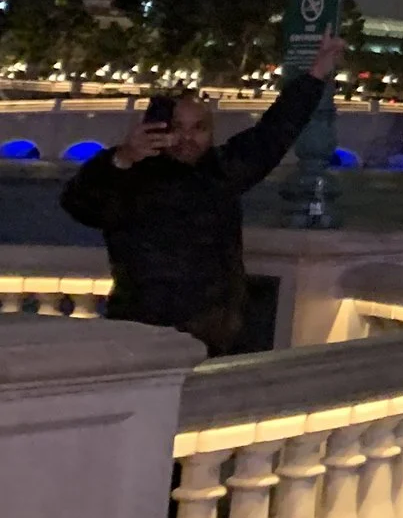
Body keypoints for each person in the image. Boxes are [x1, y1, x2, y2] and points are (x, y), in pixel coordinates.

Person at [62, 35, 349, 355]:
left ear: (211, 133)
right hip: (143, 336)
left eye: (198, 128)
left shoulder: (223, 172)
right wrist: (123, 157)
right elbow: (78, 204)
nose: (187, 137)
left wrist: (317, 71)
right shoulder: (128, 178)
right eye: (177, 127)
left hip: (214, 338)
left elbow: (275, 129)